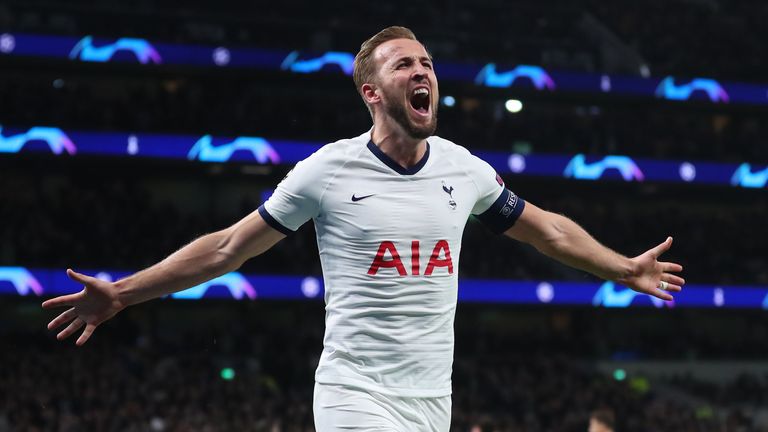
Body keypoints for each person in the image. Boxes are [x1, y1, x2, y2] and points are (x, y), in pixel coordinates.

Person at [43, 26, 685, 431]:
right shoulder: (326, 170)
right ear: (371, 92)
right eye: (405, 65)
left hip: (434, 403)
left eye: (428, 63)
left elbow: (547, 231)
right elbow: (228, 248)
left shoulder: (463, 169)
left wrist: (623, 267)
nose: (424, 72)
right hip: (355, 396)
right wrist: (125, 292)